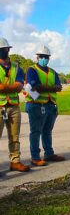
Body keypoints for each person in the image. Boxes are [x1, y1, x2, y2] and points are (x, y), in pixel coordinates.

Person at [25, 45, 65, 167]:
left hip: (50, 105)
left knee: (47, 131)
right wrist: (51, 88)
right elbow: (35, 86)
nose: (44, 58)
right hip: (35, 104)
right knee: (36, 131)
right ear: (37, 57)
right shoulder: (32, 70)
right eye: (42, 56)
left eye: (46, 57)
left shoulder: (53, 72)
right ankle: (35, 157)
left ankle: (49, 153)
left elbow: (59, 87)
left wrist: (44, 88)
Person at [0, 38, 30, 172]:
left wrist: (3, 87)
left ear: (8, 50)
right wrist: (12, 87)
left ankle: (15, 161)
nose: (2, 51)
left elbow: (19, 87)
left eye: (3, 49)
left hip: (13, 106)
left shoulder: (17, 67)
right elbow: (15, 86)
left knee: (15, 136)